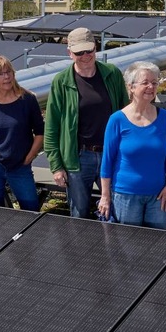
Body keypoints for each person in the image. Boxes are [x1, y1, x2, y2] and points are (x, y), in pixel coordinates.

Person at [44, 27, 129, 218]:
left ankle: (110, 246)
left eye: (88, 50)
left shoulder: (112, 74)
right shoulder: (61, 82)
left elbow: (126, 113)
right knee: (79, 211)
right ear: (70, 53)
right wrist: (56, 166)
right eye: (79, 52)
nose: (85, 56)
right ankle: (81, 248)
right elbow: (52, 127)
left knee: (115, 209)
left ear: (95, 48)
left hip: (111, 154)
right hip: (78, 158)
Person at [98, 62, 166, 228]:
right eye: (145, 82)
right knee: (128, 247)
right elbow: (107, 161)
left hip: (158, 196)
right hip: (126, 195)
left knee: (156, 245)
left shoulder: (165, 118)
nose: (151, 87)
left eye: (154, 83)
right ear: (131, 87)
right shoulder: (117, 120)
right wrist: (105, 196)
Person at [0, 55, 44, 211]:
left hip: (20, 166)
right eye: (1, 74)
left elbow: (40, 132)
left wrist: (30, 156)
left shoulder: (27, 100)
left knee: (31, 210)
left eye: (9, 72)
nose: (6, 77)